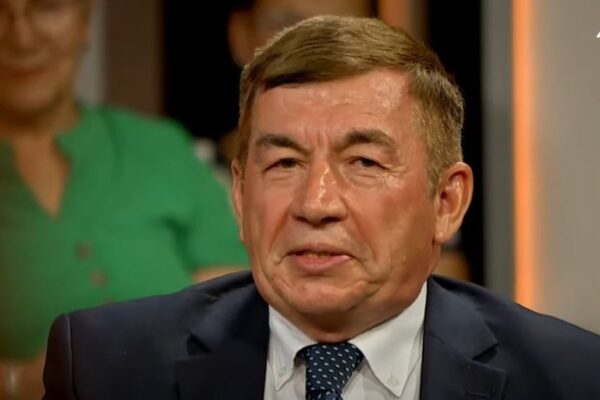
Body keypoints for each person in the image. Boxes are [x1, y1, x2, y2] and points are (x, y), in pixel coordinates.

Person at [42, 15, 600, 400]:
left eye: (363, 163)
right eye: (284, 163)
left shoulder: (573, 379)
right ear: (240, 194)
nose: (316, 204)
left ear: (447, 202)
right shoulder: (105, 368)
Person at [0, 0, 246, 397]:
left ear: (84, 24)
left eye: (46, 7)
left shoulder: (160, 146)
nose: (21, 37)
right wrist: (15, 382)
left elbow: (242, 295)